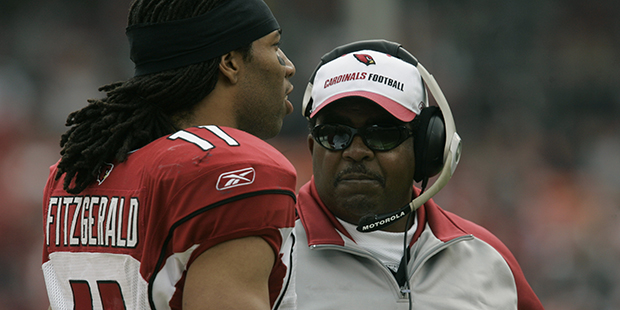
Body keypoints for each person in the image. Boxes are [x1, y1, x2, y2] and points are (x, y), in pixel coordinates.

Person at [41, 0, 297, 309]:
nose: (288, 66)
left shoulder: (74, 173)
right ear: (230, 62)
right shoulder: (230, 169)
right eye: (275, 46)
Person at [286, 40, 544, 309]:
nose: (356, 151)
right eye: (335, 134)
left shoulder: (487, 259)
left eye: (382, 134)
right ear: (313, 147)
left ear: (425, 147)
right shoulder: (269, 249)